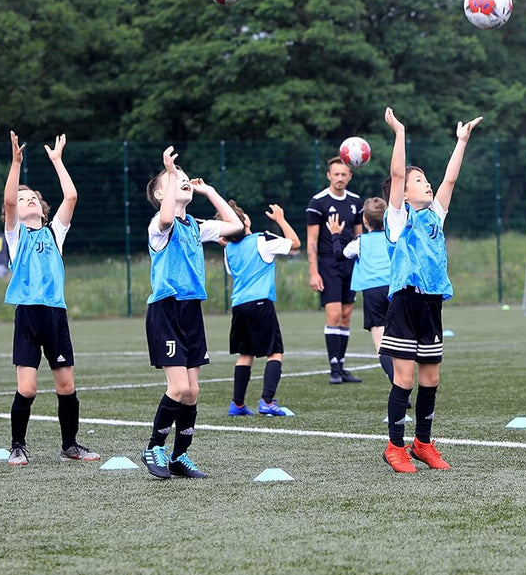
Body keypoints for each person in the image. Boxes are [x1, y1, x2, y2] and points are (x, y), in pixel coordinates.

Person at [380, 106, 482, 473]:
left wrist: (462, 141)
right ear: (403, 193)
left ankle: (422, 443)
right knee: (404, 379)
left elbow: (450, 181)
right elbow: (396, 172)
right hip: (406, 302)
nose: (426, 183)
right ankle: (394, 447)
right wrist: (400, 132)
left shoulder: (434, 215)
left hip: (432, 304)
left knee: (431, 378)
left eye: (425, 179)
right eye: (418, 180)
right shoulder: (399, 218)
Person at [140, 147, 243, 479]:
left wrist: (209, 191)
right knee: (180, 387)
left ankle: (179, 456)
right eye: (173, 181)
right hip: (166, 310)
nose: (182, 182)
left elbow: (235, 225)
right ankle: (153, 446)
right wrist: (170, 174)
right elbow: (168, 216)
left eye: (185, 180)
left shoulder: (196, 227)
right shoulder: (160, 225)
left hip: (190, 312)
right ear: (160, 194)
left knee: (193, 391)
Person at [2, 131, 99, 467]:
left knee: (66, 385)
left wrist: (58, 162)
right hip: (27, 316)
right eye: (23, 198)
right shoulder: (16, 237)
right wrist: (16, 163)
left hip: (56, 315)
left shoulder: (54, 233)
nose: (26, 200)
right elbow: (10, 201)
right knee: (27, 389)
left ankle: (70, 445)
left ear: (42, 210)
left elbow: (70, 196)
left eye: (32, 199)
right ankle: (17, 445)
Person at [221, 200, 301, 417]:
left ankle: (237, 404)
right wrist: (281, 219)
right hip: (260, 303)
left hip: (239, 305)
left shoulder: (228, 250)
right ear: (245, 221)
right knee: (275, 352)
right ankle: (267, 401)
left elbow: (233, 269)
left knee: (246, 354)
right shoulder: (262, 239)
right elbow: (295, 243)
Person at [306, 157, 365, 384]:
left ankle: (341, 366)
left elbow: (359, 236)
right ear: (329, 175)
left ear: (350, 176)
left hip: (350, 262)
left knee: (347, 316)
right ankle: (333, 368)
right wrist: (314, 271)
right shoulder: (318, 202)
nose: (340, 178)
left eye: (344, 174)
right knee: (333, 314)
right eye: (336, 174)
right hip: (328, 263)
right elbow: (311, 241)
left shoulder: (356, 201)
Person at [327, 197, 394, 382]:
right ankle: (405, 383)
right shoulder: (394, 238)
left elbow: (339, 256)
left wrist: (335, 235)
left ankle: (399, 388)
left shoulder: (360, 242)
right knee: (400, 340)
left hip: (372, 292)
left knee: (382, 344)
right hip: (395, 289)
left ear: (364, 220)